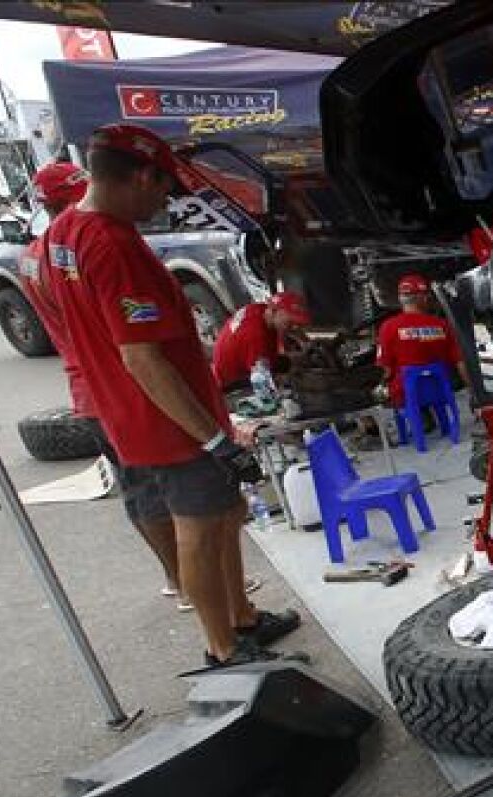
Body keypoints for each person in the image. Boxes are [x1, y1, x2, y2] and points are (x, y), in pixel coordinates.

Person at [38, 123, 299, 669]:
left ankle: (242, 618)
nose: (166, 200)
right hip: (167, 423)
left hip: (129, 413)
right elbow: (141, 356)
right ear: (138, 176)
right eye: (163, 187)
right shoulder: (112, 245)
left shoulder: (65, 231)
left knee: (224, 513)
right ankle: (224, 648)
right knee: (199, 529)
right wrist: (210, 438)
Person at [19, 160, 186, 602]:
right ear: (59, 204)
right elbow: (124, 335)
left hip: (91, 388)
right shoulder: (81, 245)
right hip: (117, 386)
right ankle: (184, 581)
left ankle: (180, 579)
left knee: (139, 487)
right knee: (158, 489)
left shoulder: (35, 257)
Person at [376, 273, 464, 412]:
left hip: (407, 394)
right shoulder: (442, 325)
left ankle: (421, 420)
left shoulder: (387, 327)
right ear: (424, 298)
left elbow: (385, 369)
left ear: (400, 299)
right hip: (441, 387)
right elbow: (460, 362)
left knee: (391, 388)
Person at [212, 291, 308, 392]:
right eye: (291, 322)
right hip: (234, 385)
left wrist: (302, 342)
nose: (294, 327)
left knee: (287, 363)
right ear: (274, 311)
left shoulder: (260, 309)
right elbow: (263, 384)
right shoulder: (256, 337)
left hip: (238, 365)